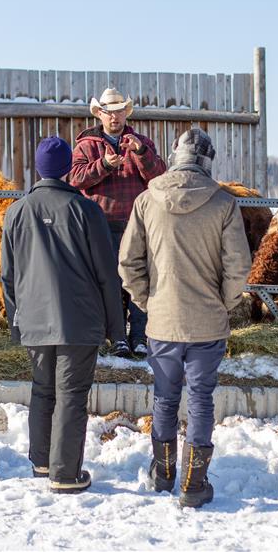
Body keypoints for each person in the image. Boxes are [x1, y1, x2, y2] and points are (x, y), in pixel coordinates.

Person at [119, 128, 251, 509]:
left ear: (175, 156)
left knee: (164, 397)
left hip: (162, 320)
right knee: (201, 400)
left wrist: (146, 301)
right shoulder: (224, 203)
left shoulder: (147, 200)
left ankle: (163, 474)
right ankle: (194, 483)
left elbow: (128, 262)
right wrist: (224, 302)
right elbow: (238, 265)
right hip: (207, 321)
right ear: (208, 160)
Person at [1, 137, 125, 493]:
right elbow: (106, 272)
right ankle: (65, 474)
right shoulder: (86, 210)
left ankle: (41, 460)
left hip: (34, 317)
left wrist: (16, 319)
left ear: (38, 169)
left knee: (43, 390)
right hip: (79, 319)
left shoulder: (16, 211)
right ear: (69, 168)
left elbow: (8, 275)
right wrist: (117, 328)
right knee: (71, 394)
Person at [69, 87, 166, 358]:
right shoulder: (86, 145)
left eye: (119, 111)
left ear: (126, 112)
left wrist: (141, 152)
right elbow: (75, 179)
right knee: (108, 281)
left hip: (137, 224)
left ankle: (140, 336)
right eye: (109, 112)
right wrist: (105, 165)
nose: (114, 117)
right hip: (101, 223)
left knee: (138, 279)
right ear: (99, 114)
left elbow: (158, 177)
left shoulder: (141, 143)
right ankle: (116, 337)